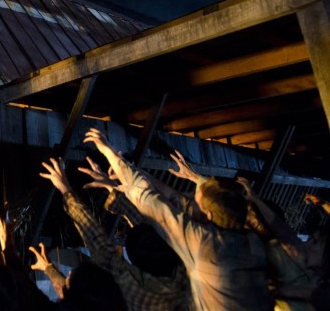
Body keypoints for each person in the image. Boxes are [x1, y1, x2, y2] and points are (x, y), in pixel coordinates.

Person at [83, 127, 275, 310]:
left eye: (195, 201)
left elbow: (151, 200)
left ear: (208, 216)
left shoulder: (204, 243)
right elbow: (174, 198)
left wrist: (109, 152)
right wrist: (127, 174)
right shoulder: (253, 240)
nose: (188, 201)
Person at [39, 157, 188, 311]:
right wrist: (112, 188)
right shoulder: (187, 269)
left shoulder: (150, 299)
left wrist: (65, 189)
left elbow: (104, 250)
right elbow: (148, 235)